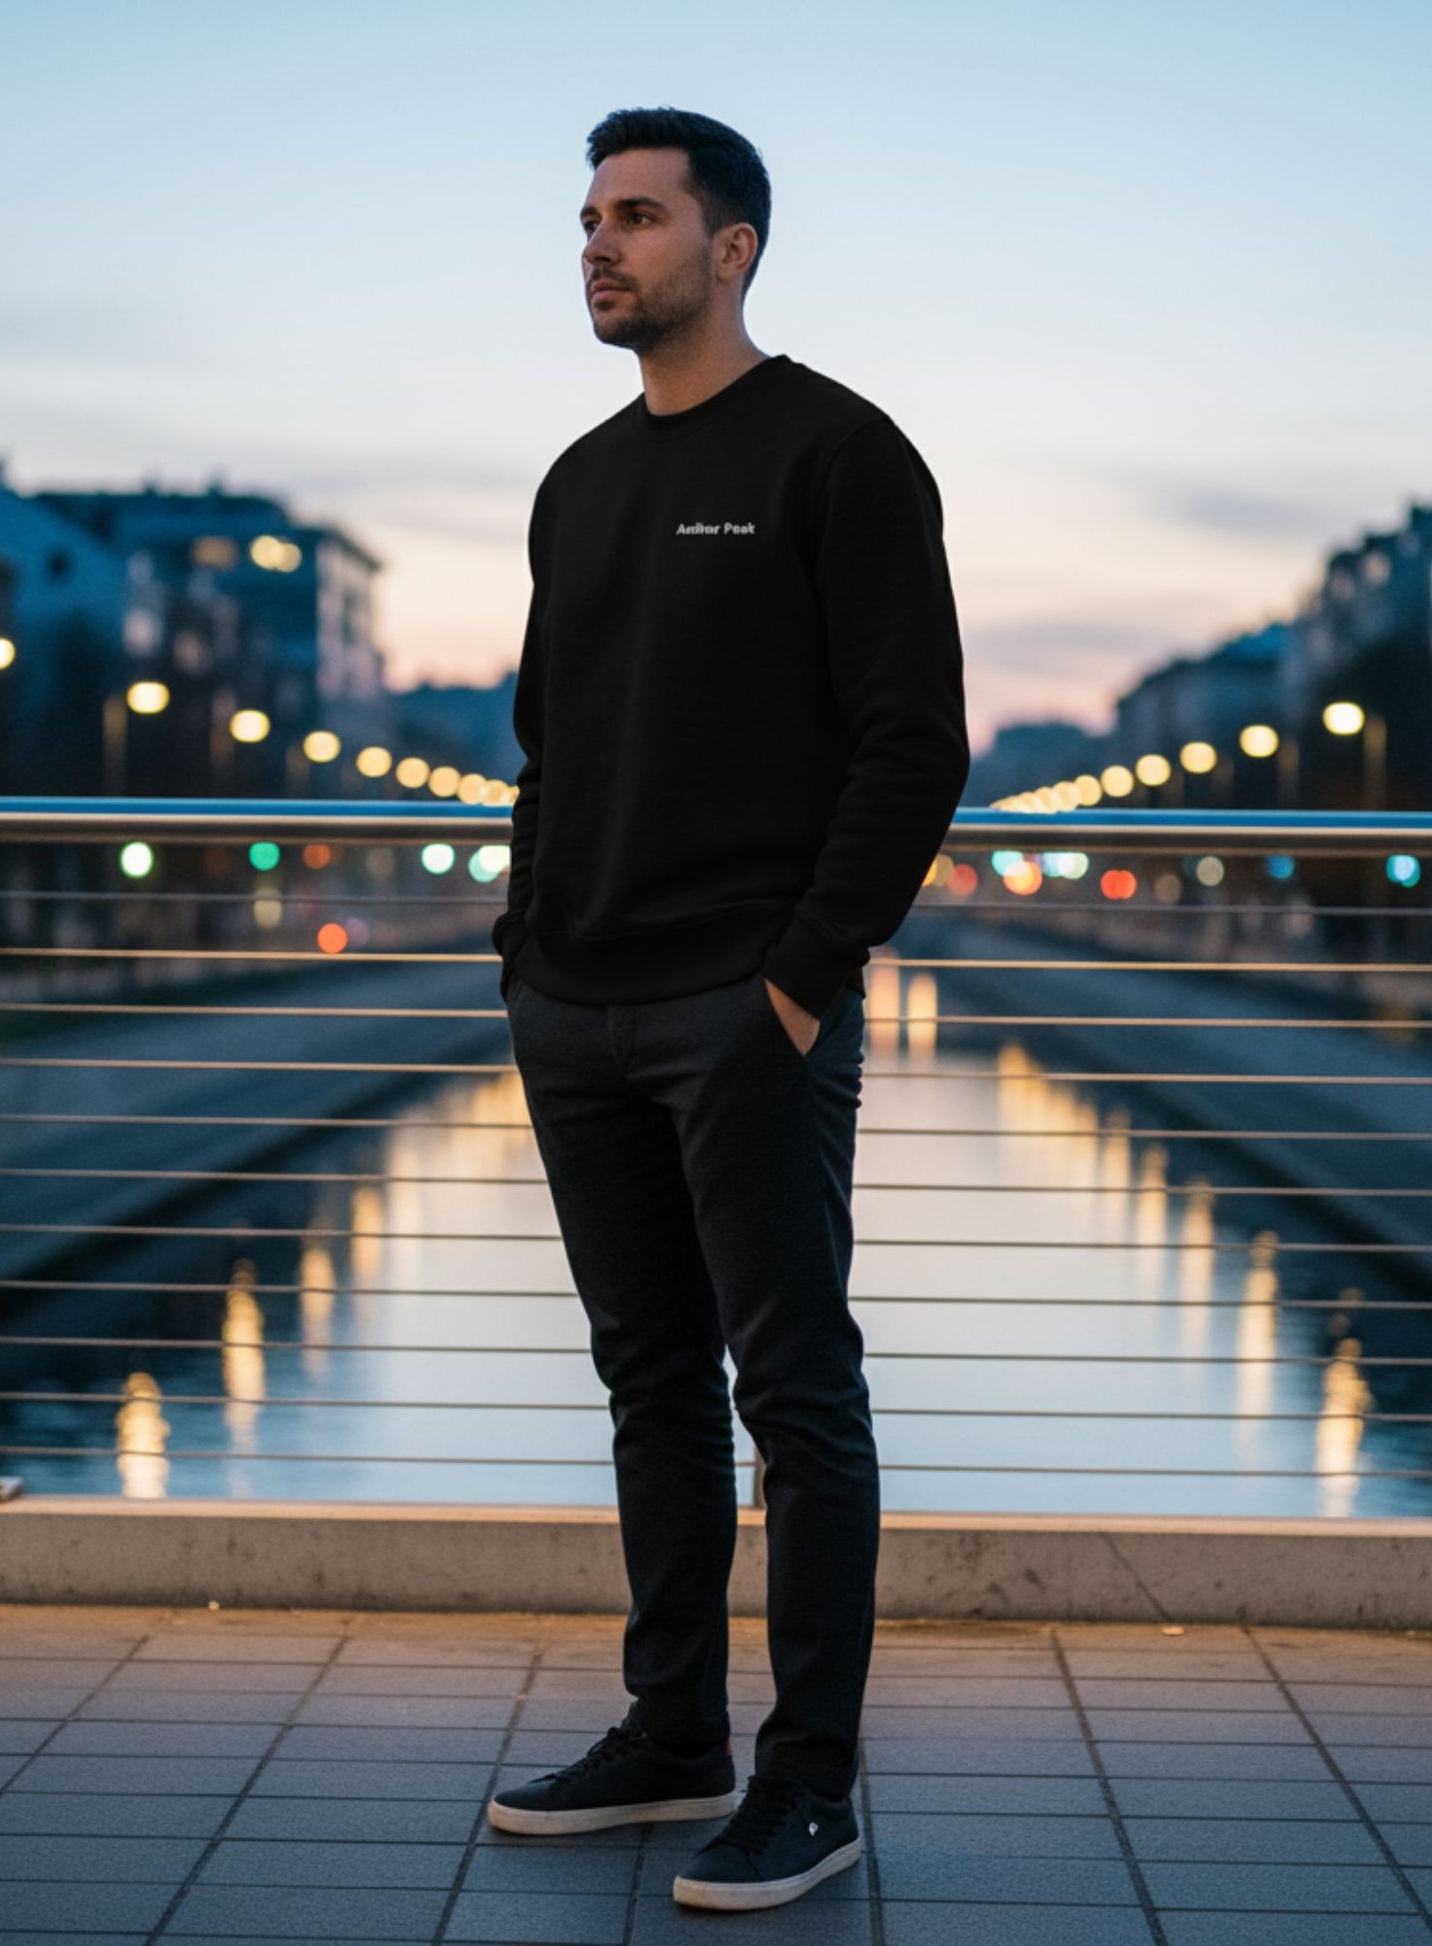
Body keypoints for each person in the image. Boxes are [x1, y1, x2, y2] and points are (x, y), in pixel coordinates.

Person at [484, 104, 971, 1914]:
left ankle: (812, 1778)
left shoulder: (838, 453)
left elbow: (913, 739)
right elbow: (550, 742)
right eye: (587, 219)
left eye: (635, 217)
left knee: (794, 1388)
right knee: (647, 1383)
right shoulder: (578, 477)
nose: (598, 247)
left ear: (733, 246)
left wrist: (800, 970)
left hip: (736, 1007)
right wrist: (524, 950)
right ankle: (670, 1728)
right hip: (575, 1003)